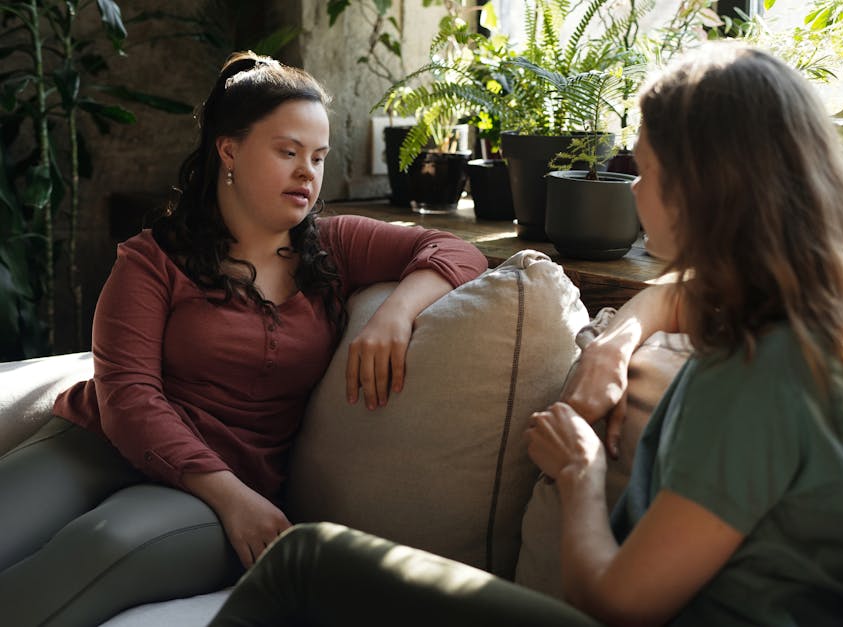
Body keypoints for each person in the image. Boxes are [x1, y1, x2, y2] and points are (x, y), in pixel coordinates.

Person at [206, 42, 843, 627]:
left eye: (641, 167)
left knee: (307, 558)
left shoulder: (758, 385)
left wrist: (581, 473)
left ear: (704, 186)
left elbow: (618, 600)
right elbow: (687, 296)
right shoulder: (811, 320)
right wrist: (617, 342)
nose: (631, 186)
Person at [0, 51, 487, 626]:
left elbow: (459, 251)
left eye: (319, 157)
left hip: (214, 492)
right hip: (92, 445)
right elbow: (129, 397)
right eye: (288, 152)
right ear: (228, 150)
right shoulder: (151, 261)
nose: (308, 172)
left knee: (104, 543)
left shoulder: (335, 245)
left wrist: (396, 313)